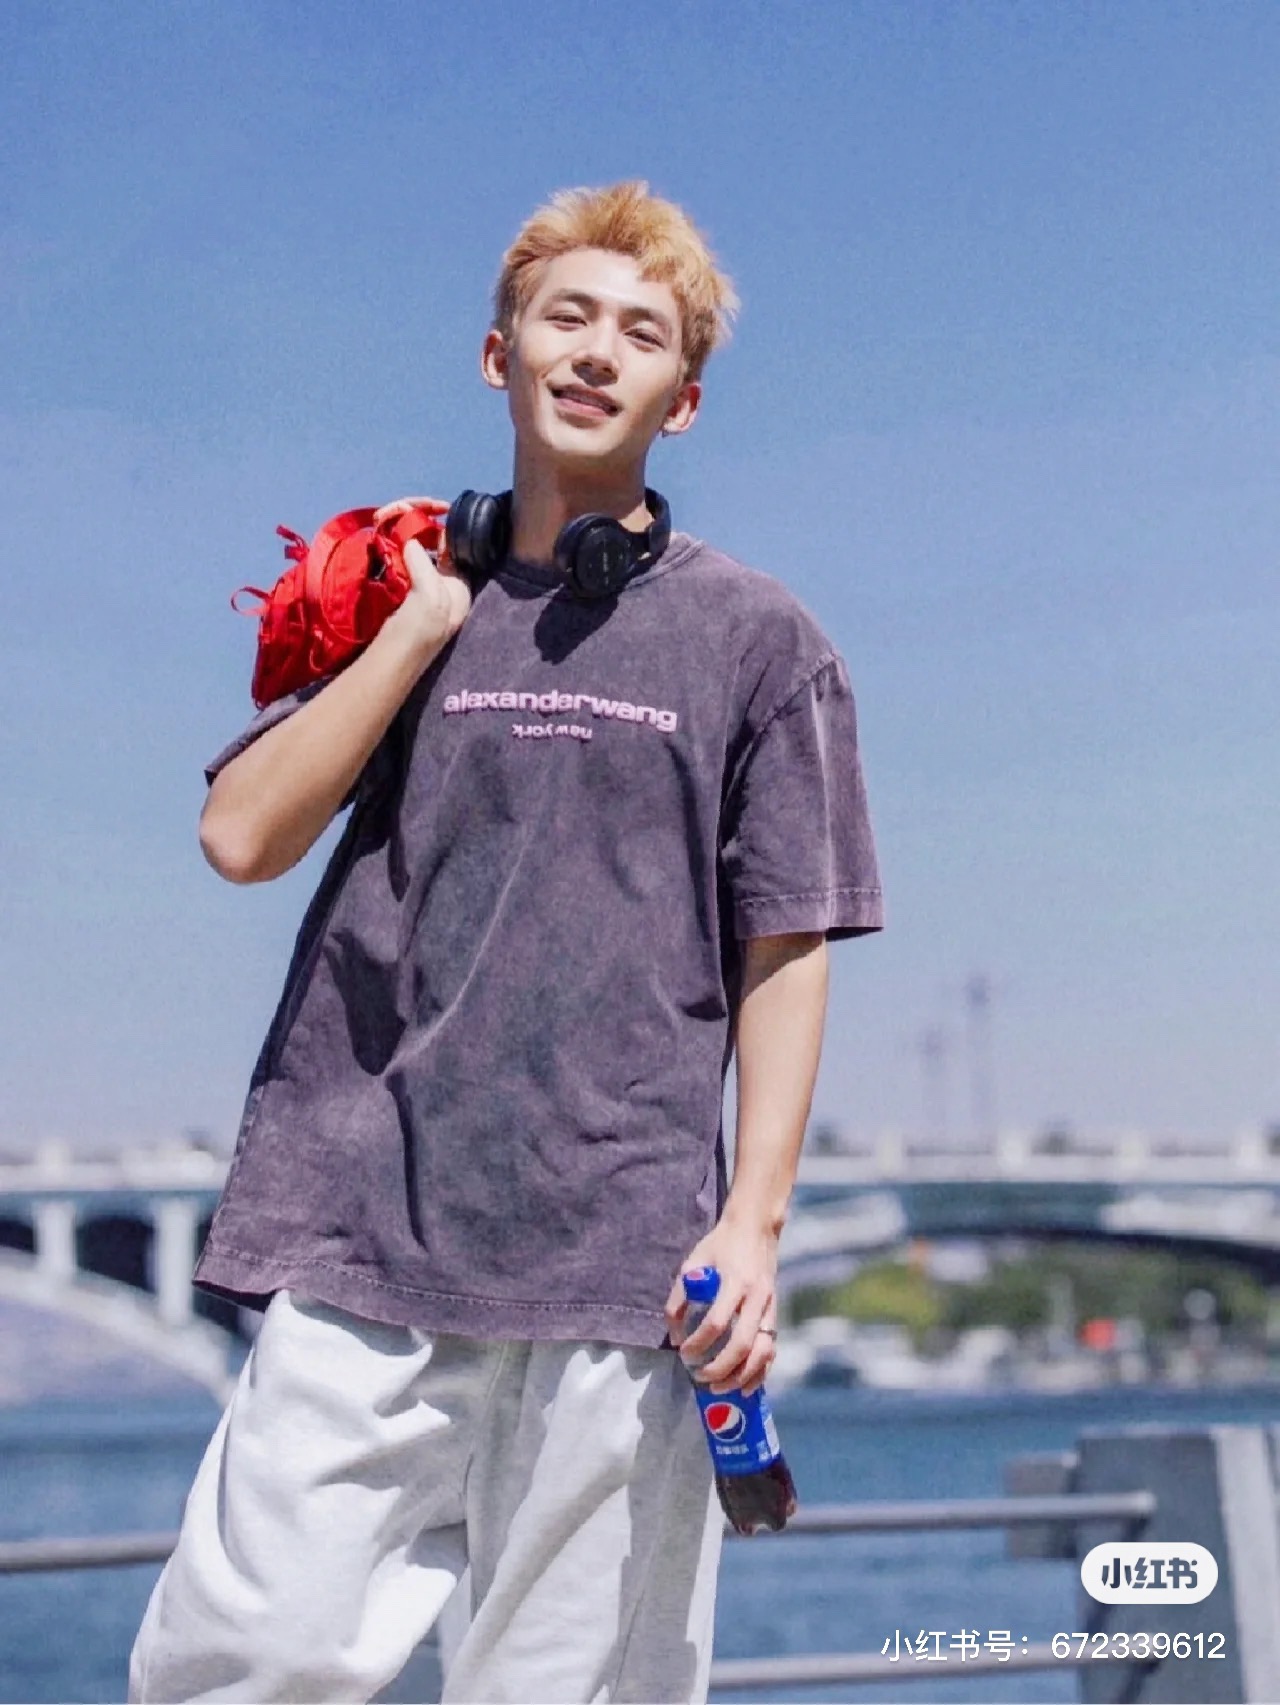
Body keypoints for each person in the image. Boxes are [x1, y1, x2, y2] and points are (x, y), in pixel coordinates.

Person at [129, 179, 883, 1704]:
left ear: (685, 398)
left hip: (621, 1262)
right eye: (567, 317)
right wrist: (417, 632)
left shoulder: (763, 643)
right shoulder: (408, 595)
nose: (598, 351)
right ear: (501, 355)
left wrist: (753, 1222)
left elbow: (786, 944)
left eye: (643, 334)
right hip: (359, 1232)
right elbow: (239, 836)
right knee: (243, 1662)